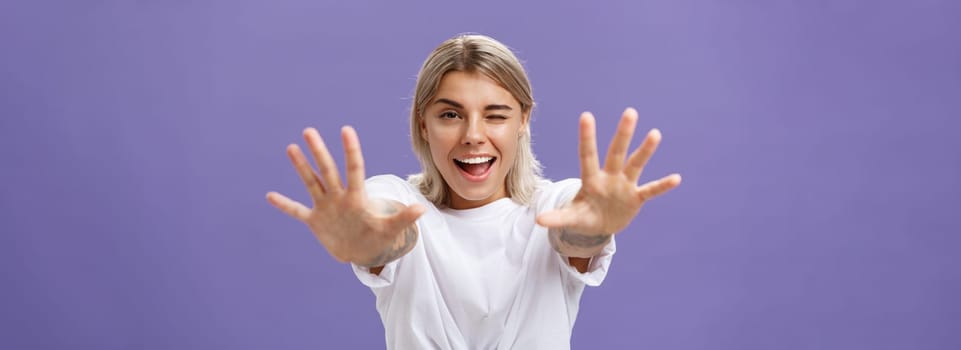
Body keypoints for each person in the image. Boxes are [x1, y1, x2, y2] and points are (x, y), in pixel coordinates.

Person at [265, 34, 681, 349]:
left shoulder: (553, 206)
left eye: (496, 115)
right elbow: (386, 226)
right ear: (423, 124)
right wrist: (368, 241)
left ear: (523, 120)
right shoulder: (401, 201)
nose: (473, 135)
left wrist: (596, 229)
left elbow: (572, 231)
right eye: (450, 115)